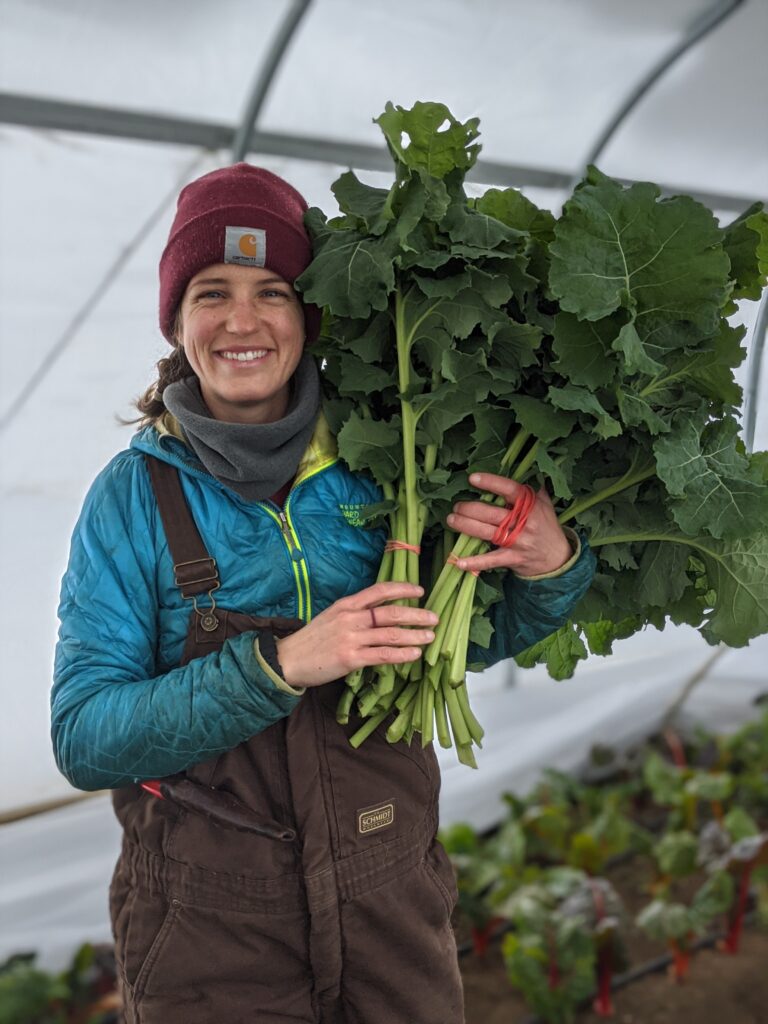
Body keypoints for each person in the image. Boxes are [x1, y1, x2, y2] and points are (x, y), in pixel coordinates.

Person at [51, 162, 596, 1024]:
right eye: (211, 291)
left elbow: (459, 641)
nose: (242, 321)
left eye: (272, 291)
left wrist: (550, 567)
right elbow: (84, 738)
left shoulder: (391, 455)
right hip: (210, 931)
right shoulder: (130, 500)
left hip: (392, 899)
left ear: (308, 316)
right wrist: (281, 665)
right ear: (176, 318)